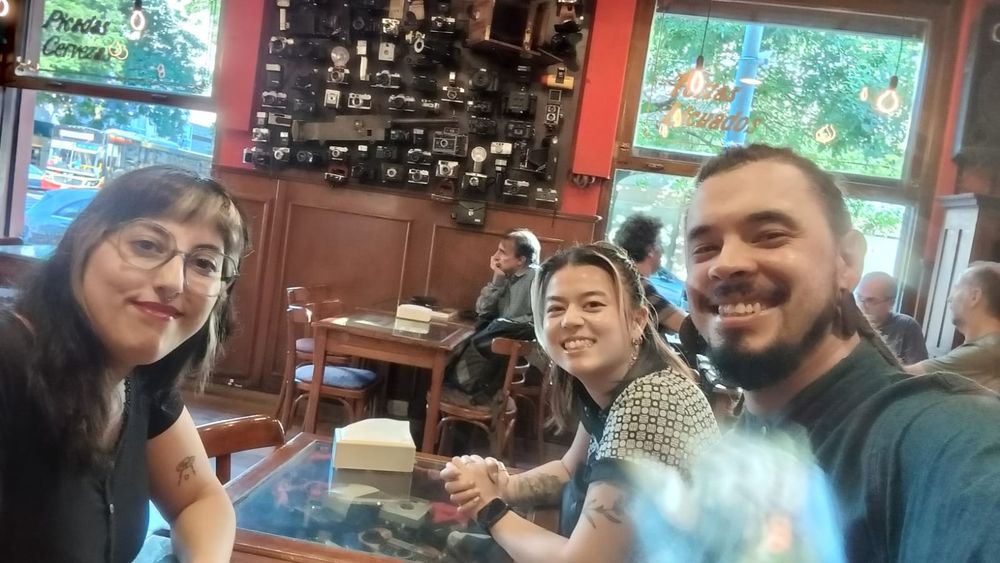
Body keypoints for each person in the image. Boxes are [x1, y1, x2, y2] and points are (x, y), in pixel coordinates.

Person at [682, 144, 1000, 561]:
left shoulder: (949, 440)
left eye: (770, 236)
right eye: (705, 248)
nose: (726, 264)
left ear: (846, 261)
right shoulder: (742, 445)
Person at [0, 166, 248, 562]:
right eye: (147, 245)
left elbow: (199, 497)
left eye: (204, 264)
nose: (174, 281)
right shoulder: (9, 365)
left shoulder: (138, 379)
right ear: (82, 243)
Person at [440, 243, 719, 563]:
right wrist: (501, 486)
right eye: (555, 309)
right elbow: (569, 469)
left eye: (593, 305)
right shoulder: (610, 384)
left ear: (637, 321)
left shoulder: (652, 401)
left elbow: (583, 561)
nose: (570, 320)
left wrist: (487, 507)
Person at [446, 229, 541, 403]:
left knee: (496, 328)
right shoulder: (508, 276)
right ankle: (461, 382)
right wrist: (497, 279)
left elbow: (535, 321)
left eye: (502, 252)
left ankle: (467, 386)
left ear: (521, 260)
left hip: (522, 355)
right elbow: (482, 310)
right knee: (483, 328)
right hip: (500, 352)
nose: (495, 256)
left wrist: (503, 323)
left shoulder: (535, 277)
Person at [906, 261, 1000, 390]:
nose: (949, 298)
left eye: (956, 289)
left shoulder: (985, 352)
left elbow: (894, 377)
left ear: (974, 297)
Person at [613, 213, 687, 333]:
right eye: (660, 244)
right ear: (650, 250)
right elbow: (687, 326)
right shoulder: (638, 286)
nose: (662, 251)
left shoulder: (622, 278)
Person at [855, 271, 928, 364]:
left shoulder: (907, 326)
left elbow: (917, 369)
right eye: (859, 298)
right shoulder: (848, 324)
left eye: (871, 301)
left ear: (891, 303)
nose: (862, 306)